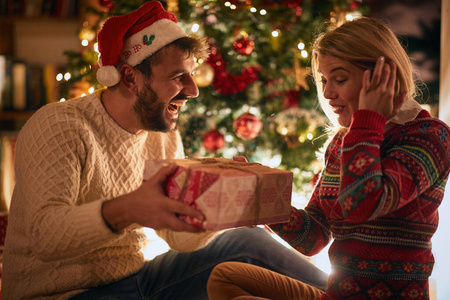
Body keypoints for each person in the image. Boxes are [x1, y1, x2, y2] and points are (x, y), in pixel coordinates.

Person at [1, 2, 328, 299]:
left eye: (192, 75)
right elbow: (46, 237)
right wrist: (128, 209)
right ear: (130, 77)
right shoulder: (60, 125)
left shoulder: (160, 131)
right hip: (64, 294)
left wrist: (215, 207)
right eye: (178, 77)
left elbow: (176, 239)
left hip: (137, 280)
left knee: (246, 241)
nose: (193, 90)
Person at [207, 17, 450, 300]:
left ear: (382, 75)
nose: (327, 93)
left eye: (339, 79)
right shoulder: (344, 141)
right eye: (323, 80)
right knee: (226, 278)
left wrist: (367, 121)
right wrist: (258, 191)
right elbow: (314, 236)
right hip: (336, 295)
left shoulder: (429, 136)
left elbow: (363, 203)